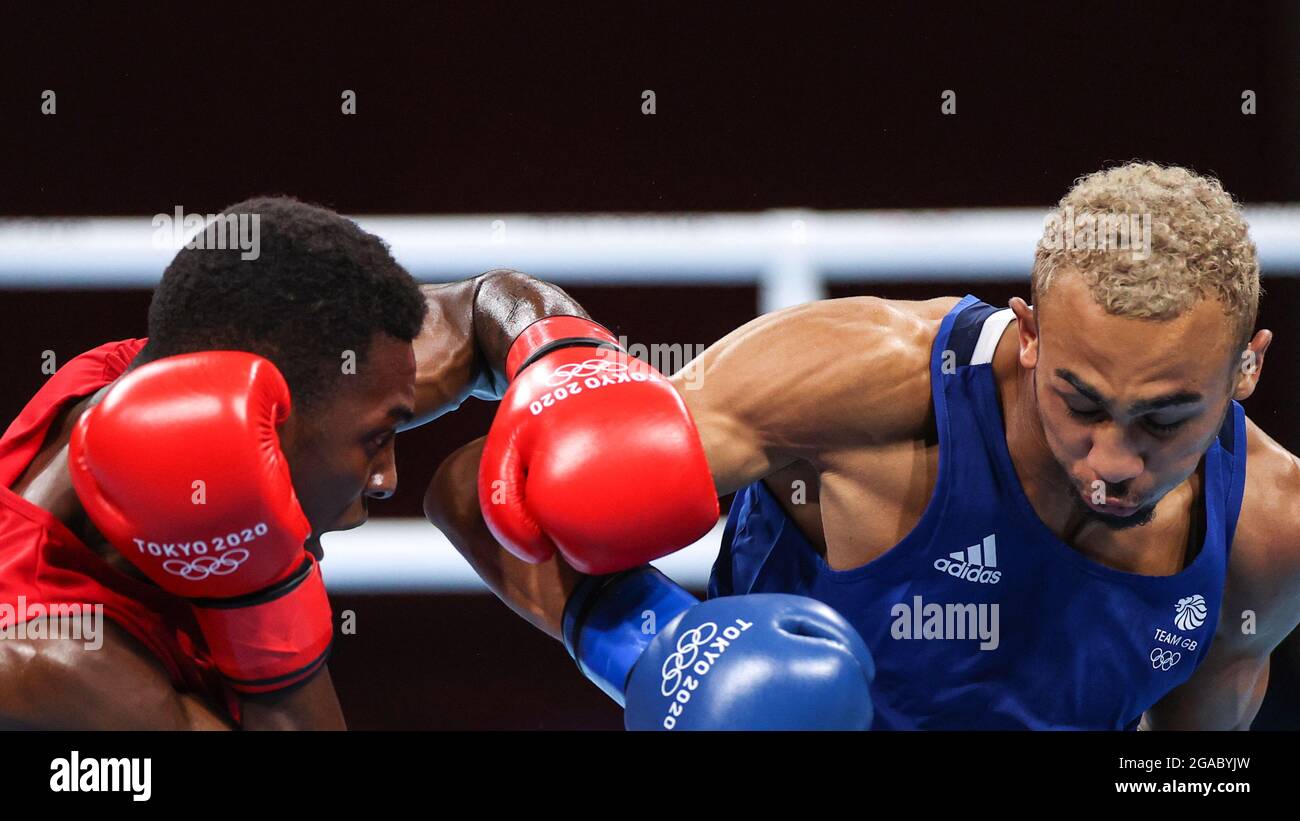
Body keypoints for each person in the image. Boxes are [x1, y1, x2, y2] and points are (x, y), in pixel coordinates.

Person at [429, 162, 1300, 729]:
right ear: (1029, 333)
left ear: (1247, 370)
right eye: (1080, 400)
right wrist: (658, 649)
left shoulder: (1268, 527)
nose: (1113, 458)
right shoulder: (855, 387)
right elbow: (475, 492)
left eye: (1164, 420)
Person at [0, 196, 684, 729]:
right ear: (266, 423)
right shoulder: (58, 662)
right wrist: (259, 593)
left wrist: (560, 365)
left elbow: (486, 304)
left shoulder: (191, 375)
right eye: (377, 438)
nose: (388, 476)